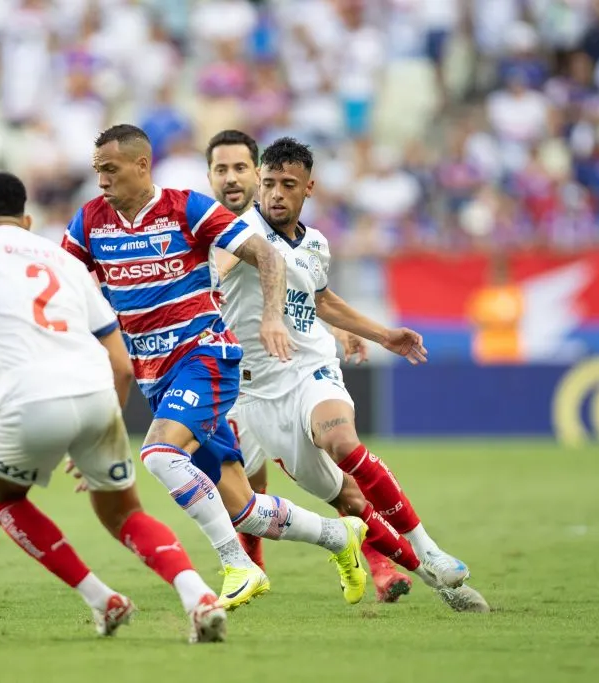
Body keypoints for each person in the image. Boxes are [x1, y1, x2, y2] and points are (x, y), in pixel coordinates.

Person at [61, 124, 369, 611]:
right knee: (242, 508)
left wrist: (271, 317)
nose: (101, 181)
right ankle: (338, 537)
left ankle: (237, 566)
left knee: (160, 454)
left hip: (205, 355)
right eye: (97, 171)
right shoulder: (89, 222)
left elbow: (265, 253)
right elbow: (66, 291)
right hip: (154, 375)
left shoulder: (187, 208)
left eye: (110, 170)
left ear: (142, 165)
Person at [0, 171, 229, 643]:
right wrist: (100, 430)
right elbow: (121, 365)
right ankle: (198, 595)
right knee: (124, 512)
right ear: (25, 219)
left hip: (29, 397)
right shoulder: (59, 258)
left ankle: (103, 599)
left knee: (1, 494)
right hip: (96, 394)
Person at [207, 131, 489, 612]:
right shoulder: (233, 236)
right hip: (256, 393)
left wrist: (381, 334)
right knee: (350, 501)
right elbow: (224, 265)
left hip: (311, 369)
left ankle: (429, 550)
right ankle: (434, 579)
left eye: (287, 184)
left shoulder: (315, 243)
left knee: (343, 442)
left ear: (309, 188)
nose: (276, 193)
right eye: (269, 183)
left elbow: (319, 299)